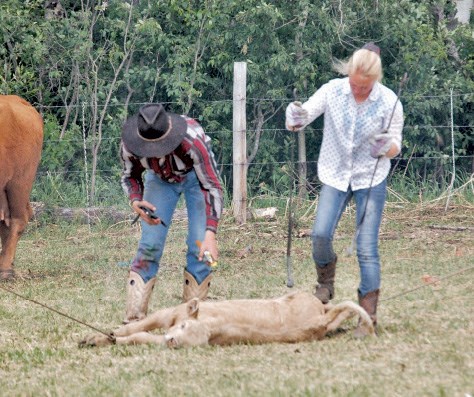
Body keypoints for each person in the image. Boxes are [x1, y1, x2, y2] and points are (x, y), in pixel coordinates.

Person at [285, 43, 404, 335]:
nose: (357, 91)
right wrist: (296, 116)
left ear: (375, 80)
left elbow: (396, 145)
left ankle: (368, 317)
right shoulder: (333, 90)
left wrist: (386, 147)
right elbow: (306, 113)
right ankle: (325, 284)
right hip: (335, 173)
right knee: (321, 233)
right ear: (348, 72)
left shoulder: (390, 102)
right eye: (354, 84)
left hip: (370, 177)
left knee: (366, 248)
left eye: (364, 87)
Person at [120, 103, 223, 323]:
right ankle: (135, 318)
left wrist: (211, 234)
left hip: (196, 179)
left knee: (199, 244)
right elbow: (130, 176)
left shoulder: (193, 142)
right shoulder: (129, 145)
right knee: (150, 244)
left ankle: (193, 317)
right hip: (159, 181)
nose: (154, 153)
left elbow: (212, 186)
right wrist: (136, 200)